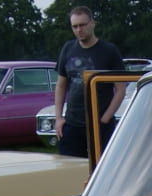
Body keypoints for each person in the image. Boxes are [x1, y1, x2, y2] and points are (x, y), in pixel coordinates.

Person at [53, 7, 126, 159]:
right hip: (72, 123)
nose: (79, 29)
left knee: (102, 170)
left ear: (92, 23)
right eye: (75, 26)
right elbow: (61, 85)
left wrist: (104, 119)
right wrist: (59, 118)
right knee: (69, 169)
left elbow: (120, 90)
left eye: (82, 25)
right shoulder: (68, 48)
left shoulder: (109, 51)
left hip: (100, 124)